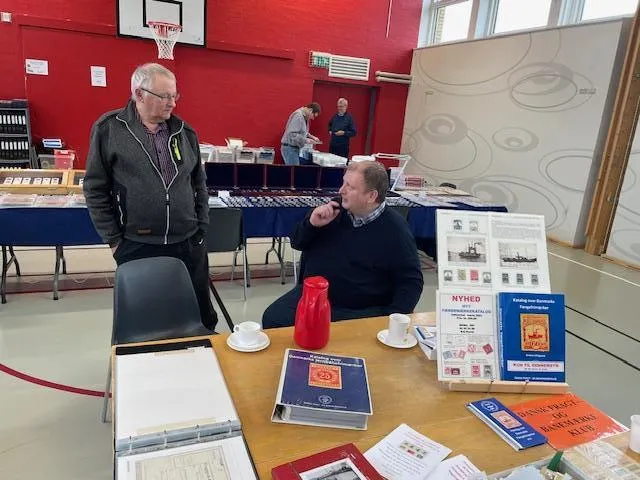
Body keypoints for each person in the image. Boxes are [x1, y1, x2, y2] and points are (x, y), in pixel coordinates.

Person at [83, 63, 217, 330]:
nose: (171, 104)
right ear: (139, 94)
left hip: (188, 243)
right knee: (146, 321)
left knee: (201, 316)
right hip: (136, 244)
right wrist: (114, 241)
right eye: (164, 96)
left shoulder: (184, 132)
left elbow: (199, 183)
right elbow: (95, 188)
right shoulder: (110, 129)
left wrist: (201, 228)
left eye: (174, 96)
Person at [262, 161, 423, 329]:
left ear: (371, 196)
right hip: (314, 296)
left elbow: (411, 282)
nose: (341, 190)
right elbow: (297, 242)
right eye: (343, 182)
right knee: (273, 319)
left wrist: (391, 319)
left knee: (333, 336)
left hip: (356, 308)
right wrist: (312, 224)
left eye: (350, 187)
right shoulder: (335, 209)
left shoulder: (395, 230)